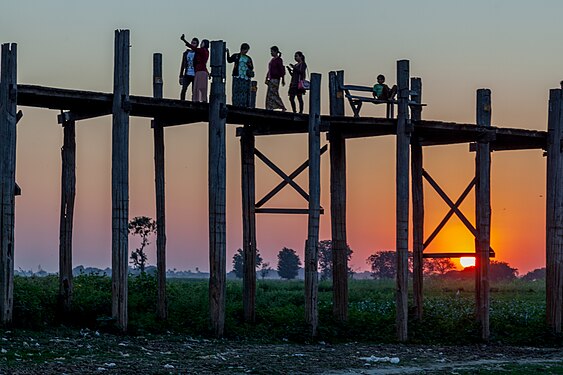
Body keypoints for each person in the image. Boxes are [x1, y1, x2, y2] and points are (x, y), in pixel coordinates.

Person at [181, 34, 209, 102]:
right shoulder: (187, 53)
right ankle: (183, 102)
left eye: (194, 43)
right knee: (184, 89)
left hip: (196, 73)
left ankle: (197, 102)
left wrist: (184, 40)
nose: (192, 44)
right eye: (192, 43)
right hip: (189, 73)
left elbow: (202, 63)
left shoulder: (201, 51)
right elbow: (183, 64)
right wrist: (181, 75)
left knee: (196, 89)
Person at [227, 43, 254, 107]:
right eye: (245, 50)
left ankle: (244, 104)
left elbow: (251, 67)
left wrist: (249, 65)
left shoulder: (248, 58)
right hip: (237, 75)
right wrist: (227, 53)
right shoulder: (236, 56)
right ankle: (236, 104)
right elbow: (229, 60)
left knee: (244, 91)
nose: (246, 51)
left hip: (246, 77)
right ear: (242, 49)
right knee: (237, 90)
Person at [265, 46, 286, 111]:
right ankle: (269, 107)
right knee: (269, 94)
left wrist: (283, 79)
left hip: (276, 78)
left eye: (272, 51)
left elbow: (282, 70)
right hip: (271, 78)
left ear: (276, 52)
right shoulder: (272, 60)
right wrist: (266, 77)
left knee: (274, 93)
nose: (271, 53)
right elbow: (270, 70)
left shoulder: (279, 60)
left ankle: (281, 106)